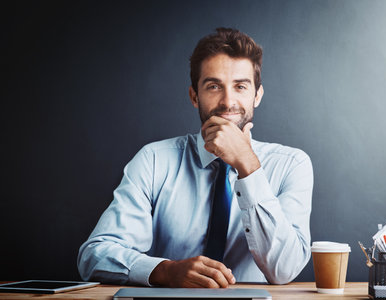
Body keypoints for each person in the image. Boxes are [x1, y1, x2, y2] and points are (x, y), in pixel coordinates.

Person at [77, 28, 313, 288]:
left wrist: (248, 166)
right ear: (194, 96)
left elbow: (285, 270)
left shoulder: (292, 164)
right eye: (214, 86)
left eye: (240, 86)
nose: (227, 102)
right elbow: (94, 255)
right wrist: (165, 271)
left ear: (257, 95)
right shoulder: (153, 161)